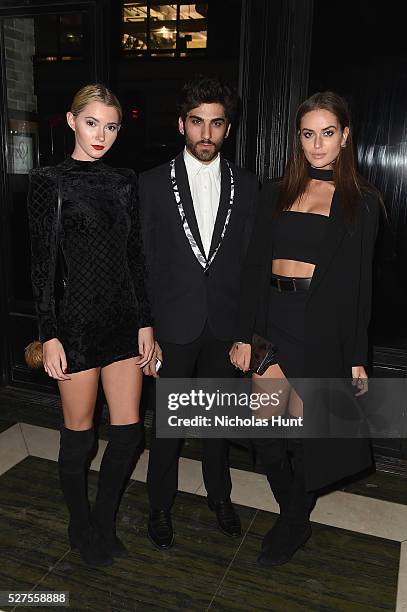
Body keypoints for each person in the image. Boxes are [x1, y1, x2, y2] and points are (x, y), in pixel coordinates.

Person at [230, 91, 381, 566]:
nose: (318, 144)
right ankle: (296, 515)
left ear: (345, 137)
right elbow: (252, 268)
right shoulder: (273, 190)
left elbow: (361, 289)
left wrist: (357, 354)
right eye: (308, 134)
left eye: (328, 133)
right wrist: (242, 334)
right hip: (271, 323)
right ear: (298, 138)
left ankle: (291, 524)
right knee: (266, 438)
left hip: (317, 329)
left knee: (303, 439)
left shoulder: (363, 202)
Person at [27, 84, 154, 567]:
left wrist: (145, 322)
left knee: (127, 434)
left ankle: (102, 520)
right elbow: (41, 265)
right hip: (75, 324)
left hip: (123, 322)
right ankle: (79, 523)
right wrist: (49, 332)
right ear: (71, 121)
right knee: (79, 437)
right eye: (93, 123)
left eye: (112, 125)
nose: (102, 134)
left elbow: (135, 257)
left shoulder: (124, 180)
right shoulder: (49, 180)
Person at [139, 75, 258, 549]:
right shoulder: (150, 184)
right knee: (167, 427)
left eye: (216, 123)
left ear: (227, 128)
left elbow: (251, 266)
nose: (205, 134)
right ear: (181, 125)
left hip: (224, 327)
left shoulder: (249, 186)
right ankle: (159, 506)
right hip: (173, 326)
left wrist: (248, 333)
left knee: (217, 425)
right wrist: (145, 328)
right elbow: (142, 262)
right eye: (197, 123)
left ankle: (220, 497)